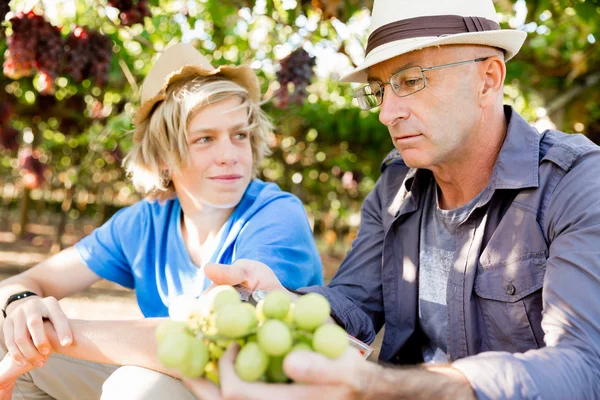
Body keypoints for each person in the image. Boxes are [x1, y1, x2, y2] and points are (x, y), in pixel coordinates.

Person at [184, 1, 600, 399]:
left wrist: (384, 387)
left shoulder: (576, 185)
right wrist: (283, 303)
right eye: (380, 89)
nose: (387, 113)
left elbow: (584, 368)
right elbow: (354, 304)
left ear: (488, 79)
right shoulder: (394, 185)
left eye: (411, 80)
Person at [0, 43, 323, 399]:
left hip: (257, 388)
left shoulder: (276, 215)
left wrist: (53, 333)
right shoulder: (143, 223)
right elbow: (27, 281)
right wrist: (23, 305)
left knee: (138, 389)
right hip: (186, 379)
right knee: (14, 346)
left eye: (239, 135)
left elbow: (209, 338)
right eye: (205, 139)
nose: (230, 156)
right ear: (163, 156)